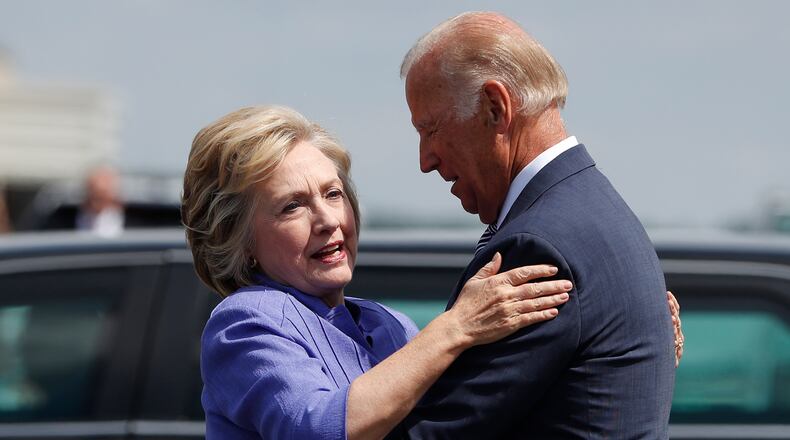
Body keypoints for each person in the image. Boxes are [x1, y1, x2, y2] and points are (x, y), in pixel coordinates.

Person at [182, 105, 575, 440]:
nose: (328, 220)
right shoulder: (245, 322)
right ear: (241, 241)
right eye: (292, 207)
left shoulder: (388, 325)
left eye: (333, 194)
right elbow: (318, 429)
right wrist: (455, 328)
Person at [394, 11, 677, 438]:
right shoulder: (596, 211)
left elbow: (434, 432)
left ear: (494, 107)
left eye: (430, 128)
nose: (425, 160)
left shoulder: (538, 246)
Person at [76, 165, 124, 237]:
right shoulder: (62, 220)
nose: (97, 202)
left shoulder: (139, 222)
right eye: (94, 193)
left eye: (103, 194)